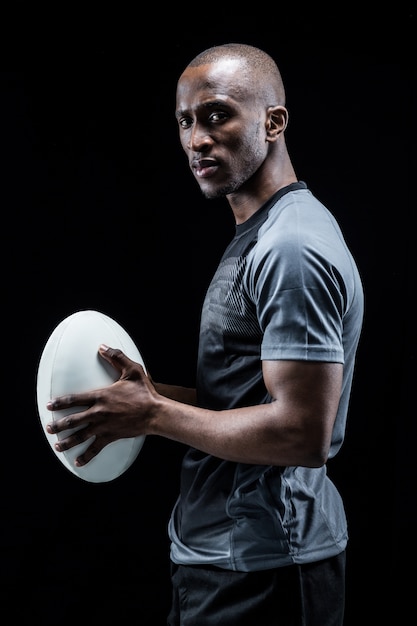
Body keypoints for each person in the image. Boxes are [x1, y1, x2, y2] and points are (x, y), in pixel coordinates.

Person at [45, 43, 364, 625]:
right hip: (221, 557)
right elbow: (243, 403)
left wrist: (153, 417)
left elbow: (302, 433)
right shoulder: (259, 232)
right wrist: (149, 397)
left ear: (274, 122)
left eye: (217, 115)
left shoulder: (291, 247)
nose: (196, 140)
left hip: (268, 569)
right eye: (185, 121)